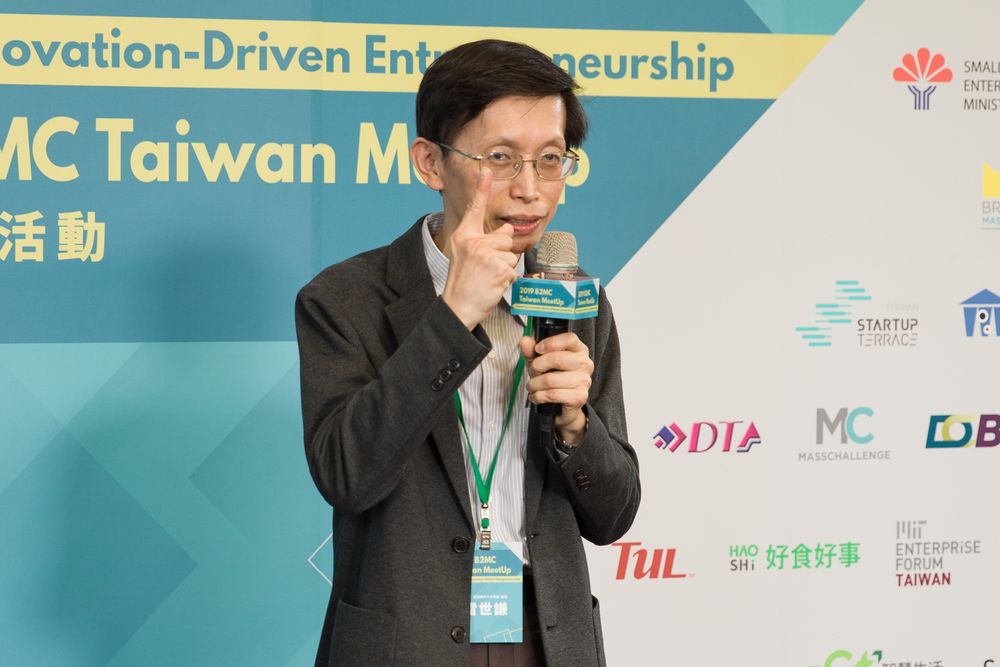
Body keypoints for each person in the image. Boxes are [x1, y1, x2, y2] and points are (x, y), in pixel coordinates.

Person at [295, 39, 640, 666]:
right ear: (431, 162)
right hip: (406, 643)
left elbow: (613, 516)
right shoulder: (344, 300)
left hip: (547, 640)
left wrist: (576, 426)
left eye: (551, 159)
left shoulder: (575, 300)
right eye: (500, 158)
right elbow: (347, 476)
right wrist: (452, 317)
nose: (531, 190)